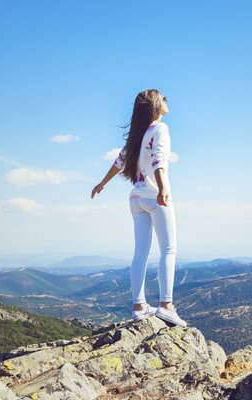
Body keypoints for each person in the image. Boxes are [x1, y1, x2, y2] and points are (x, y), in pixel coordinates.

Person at [91, 89, 186, 327]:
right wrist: (163, 188)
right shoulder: (160, 129)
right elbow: (159, 160)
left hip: (135, 199)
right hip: (155, 196)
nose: (166, 101)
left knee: (140, 253)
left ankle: (139, 306)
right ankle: (166, 306)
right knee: (168, 249)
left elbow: (119, 162)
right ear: (156, 105)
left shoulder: (137, 136)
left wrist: (102, 184)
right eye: (163, 98)